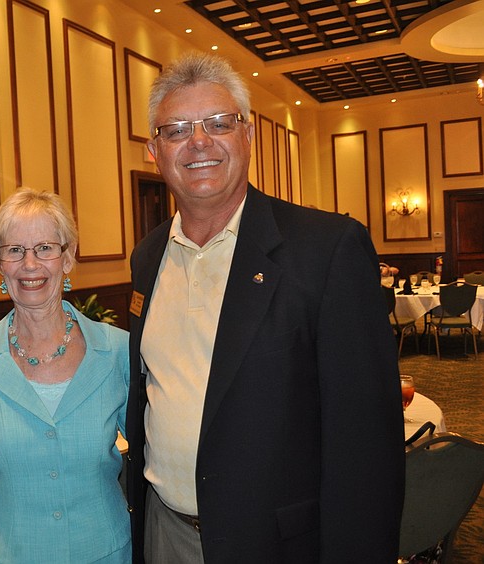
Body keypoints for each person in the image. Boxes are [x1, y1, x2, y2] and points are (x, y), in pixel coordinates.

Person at [125, 53, 405, 563]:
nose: (200, 141)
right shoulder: (147, 257)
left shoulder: (326, 249)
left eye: (218, 123)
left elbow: (366, 446)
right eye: (177, 129)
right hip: (163, 531)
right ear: (155, 151)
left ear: (248, 136)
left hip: (277, 544)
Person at [0, 188, 131, 563]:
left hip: (104, 551)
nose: (30, 264)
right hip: (10, 553)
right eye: (14, 250)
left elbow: (149, 449)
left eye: (45, 247)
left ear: (68, 257)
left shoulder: (116, 351)